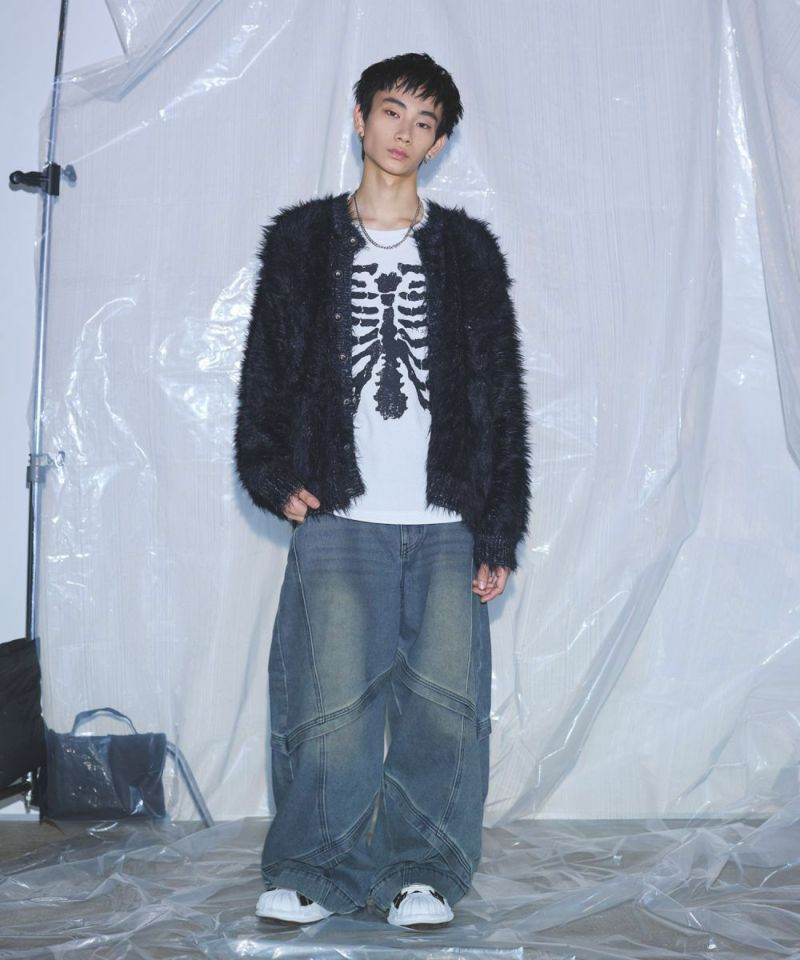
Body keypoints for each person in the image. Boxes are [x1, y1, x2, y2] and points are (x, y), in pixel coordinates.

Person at [234, 51, 532, 930]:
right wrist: (267, 468)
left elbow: (500, 393)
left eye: (425, 122)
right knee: (327, 704)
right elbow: (266, 370)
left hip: (447, 520)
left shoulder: (469, 252)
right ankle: (314, 870)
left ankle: (422, 873)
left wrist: (499, 526)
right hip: (340, 513)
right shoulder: (301, 241)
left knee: (445, 706)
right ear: (360, 118)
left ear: (438, 144)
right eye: (393, 111)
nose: (405, 132)